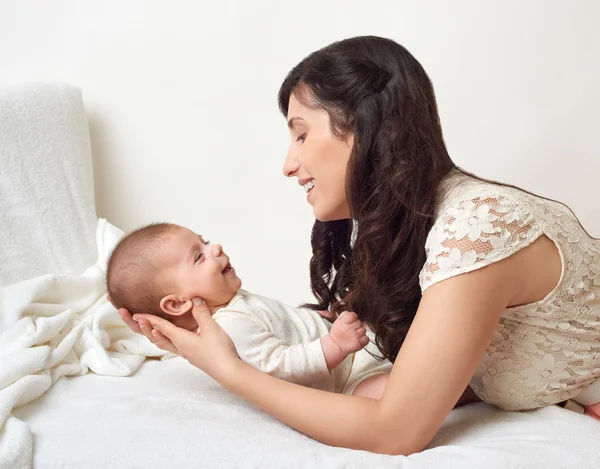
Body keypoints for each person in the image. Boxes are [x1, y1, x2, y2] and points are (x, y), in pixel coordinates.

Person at [115, 36, 600, 455]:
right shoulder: (410, 223)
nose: (288, 164)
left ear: (366, 132)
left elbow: (397, 433)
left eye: (301, 134)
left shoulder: (478, 227)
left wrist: (230, 371)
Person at [106, 222, 392, 397]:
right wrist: (334, 344)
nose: (215, 248)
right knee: (391, 395)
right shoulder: (229, 328)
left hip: (358, 353)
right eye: (198, 256)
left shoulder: (232, 303)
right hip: (348, 379)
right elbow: (281, 366)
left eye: (205, 242)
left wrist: (309, 321)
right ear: (177, 303)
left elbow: (275, 323)